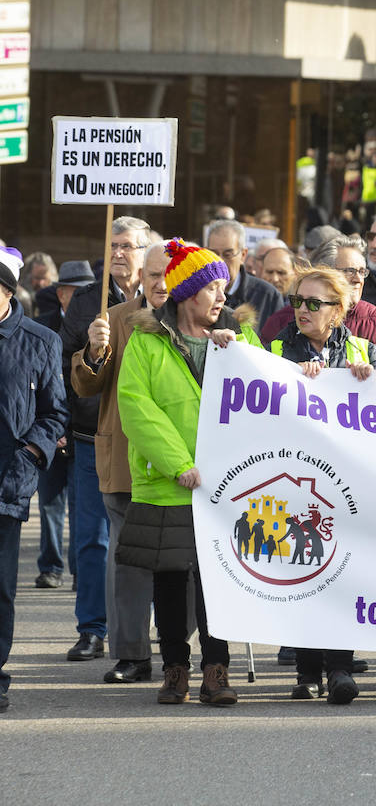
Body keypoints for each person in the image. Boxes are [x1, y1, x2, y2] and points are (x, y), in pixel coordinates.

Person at [116, 240, 263, 707]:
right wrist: (177, 463)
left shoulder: (240, 338)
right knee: (171, 581)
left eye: (224, 287)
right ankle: (175, 669)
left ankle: (216, 671)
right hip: (168, 484)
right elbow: (137, 408)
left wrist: (237, 349)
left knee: (218, 582)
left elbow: (271, 388)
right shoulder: (146, 341)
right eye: (212, 288)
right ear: (185, 293)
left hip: (225, 487)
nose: (222, 296)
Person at [268, 267, 376, 705]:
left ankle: (339, 668)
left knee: (340, 574)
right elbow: (254, 395)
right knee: (302, 570)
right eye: (297, 301)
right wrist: (288, 374)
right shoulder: (276, 347)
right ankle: (306, 671)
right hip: (296, 478)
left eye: (314, 303)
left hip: (345, 483)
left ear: (339, 309)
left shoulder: (363, 349)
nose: (303, 311)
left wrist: (368, 380)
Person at [70, 242, 171, 685]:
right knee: (126, 560)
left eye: (168, 274)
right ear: (141, 278)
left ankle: (179, 654)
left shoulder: (199, 321)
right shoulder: (113, 318)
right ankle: (131, 654)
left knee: (180, 565)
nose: (160, 283)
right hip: (126, 462)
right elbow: (87, 386)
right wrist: (93, 352)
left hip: (183, 463)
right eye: (151, 275)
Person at [59, 215, 153, 663]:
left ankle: (142, 627)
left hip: (148, 442)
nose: (118, 253)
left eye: (128, 246)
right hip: (92, 434)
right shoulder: (86, 300)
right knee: (93, 539)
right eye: (113, 245)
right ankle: (93, 628)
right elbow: (68, 366)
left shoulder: (163, 301)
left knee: (149, 541)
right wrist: (93, 349)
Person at [0, 246, 67, 713]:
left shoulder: (41, 341)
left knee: (0, 586)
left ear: (7, 291)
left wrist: (30, 453)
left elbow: (54, 412)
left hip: (7, 479)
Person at [32, 262, 94, 590]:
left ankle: (79, 571)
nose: (84, 296)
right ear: (61, 294)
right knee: (50, 504)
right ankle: (51, 566)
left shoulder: (99, 326)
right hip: (49, 432)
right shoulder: (41, 329)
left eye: (88, 289)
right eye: (76, 290)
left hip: (83, 430)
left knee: (81, 509)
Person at [205, 219, 285, 324]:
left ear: (243, 255)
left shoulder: (268, 296)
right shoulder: (196, 294)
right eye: (214, 254)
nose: (220, 261)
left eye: (228, 254)